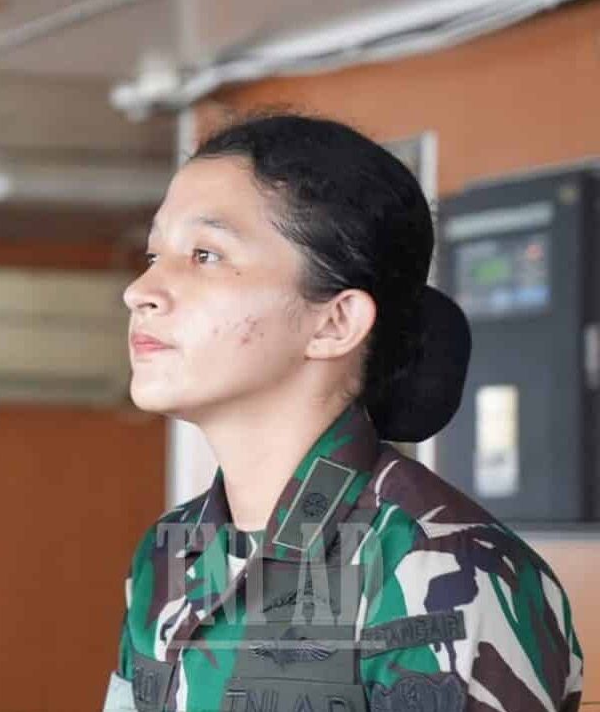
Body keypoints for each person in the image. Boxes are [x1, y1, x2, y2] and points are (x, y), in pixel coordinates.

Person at [105, 114, 583, 712]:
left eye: (205, 254)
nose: (140, 290)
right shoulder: (171, 550)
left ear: (335, 322)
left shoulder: (440, 567)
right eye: (155, 254)